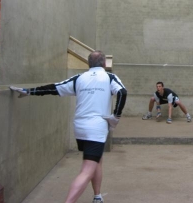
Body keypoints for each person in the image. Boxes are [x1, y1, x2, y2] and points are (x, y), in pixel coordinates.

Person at [10, 50, 127, 203]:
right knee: (87, 170)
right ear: (104, 63)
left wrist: (29, 91)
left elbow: (54, 88)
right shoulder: (109, 77)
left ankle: (97, 196)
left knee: (96, 160)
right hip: (96, 129)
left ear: (88, 63)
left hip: (80, 128)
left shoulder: (79, 78)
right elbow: (123, 93)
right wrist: (116, 116)